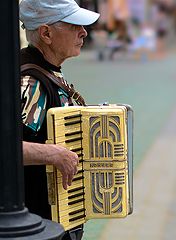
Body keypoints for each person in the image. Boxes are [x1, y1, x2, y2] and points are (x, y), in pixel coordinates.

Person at [19, 0, 100, 239]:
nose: (84, 32)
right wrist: (55, 154)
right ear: (46, 33)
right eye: (75, 25)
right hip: (37, 224)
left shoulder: (46, 69)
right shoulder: (30, 83)